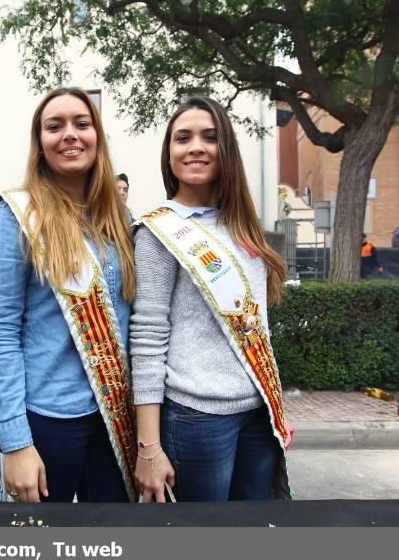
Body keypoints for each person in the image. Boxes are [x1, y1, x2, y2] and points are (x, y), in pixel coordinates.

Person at [131, 96, 292, 503]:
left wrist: (274, 405)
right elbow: (148, 338)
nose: (195, 147)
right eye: (182, 138)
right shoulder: (157, 233)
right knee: (201, 538)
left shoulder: (242, 225)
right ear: (169, 154)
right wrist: (149, 447)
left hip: (257, 413)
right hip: (196, 418)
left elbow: (256, 327)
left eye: (209, 137)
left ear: (227, 150)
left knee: (252, 532)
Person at [0, 87, 136, 504]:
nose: (70, 135)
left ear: (97, 136)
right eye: (55, 126)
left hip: (116, 413)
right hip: (47, 419)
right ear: (40, 143)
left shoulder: (120, 219)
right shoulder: (12, 218)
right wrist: (14, 442)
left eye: (82, 124)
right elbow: (0, 334)